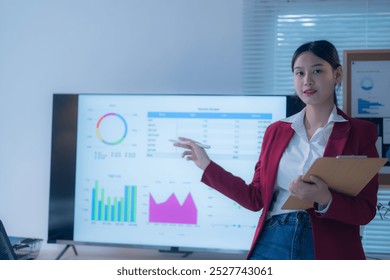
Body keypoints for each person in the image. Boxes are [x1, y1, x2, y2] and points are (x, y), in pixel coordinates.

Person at [173, 40, 379, 260]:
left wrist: (325, 198)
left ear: (337, 75)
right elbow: (254, 198)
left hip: (327, 245)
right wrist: (206, 165)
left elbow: (365, 210)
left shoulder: (360, 132)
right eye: (299, 73)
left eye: (317, 71)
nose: (307, 81)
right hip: (274, 240)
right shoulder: (276, 131)